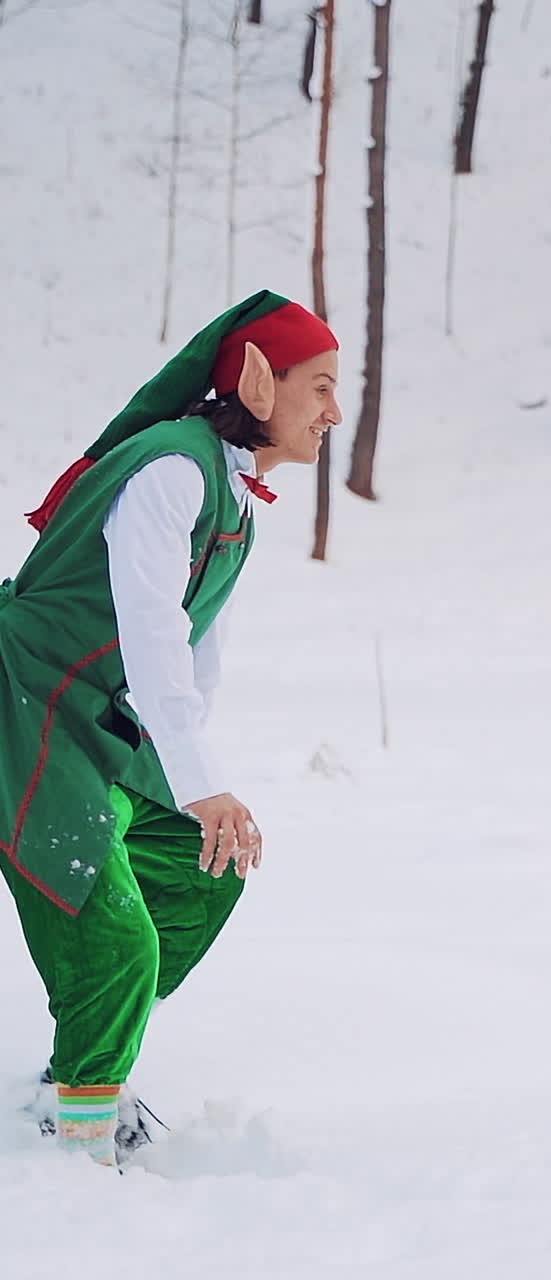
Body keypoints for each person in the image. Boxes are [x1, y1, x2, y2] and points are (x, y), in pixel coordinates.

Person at [0, 290, 341, 1168]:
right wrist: (200, 782)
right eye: (320, 387)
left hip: (99, 720)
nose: (334, 412)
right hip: (29, 703)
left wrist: (195, 786)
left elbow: (193, 656)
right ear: (260, 383)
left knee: (199, 873)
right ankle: (79, 1148)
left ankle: (78, 1073)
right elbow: (152, 635)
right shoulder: (170, 470)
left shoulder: (233, 497)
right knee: (113, 935)